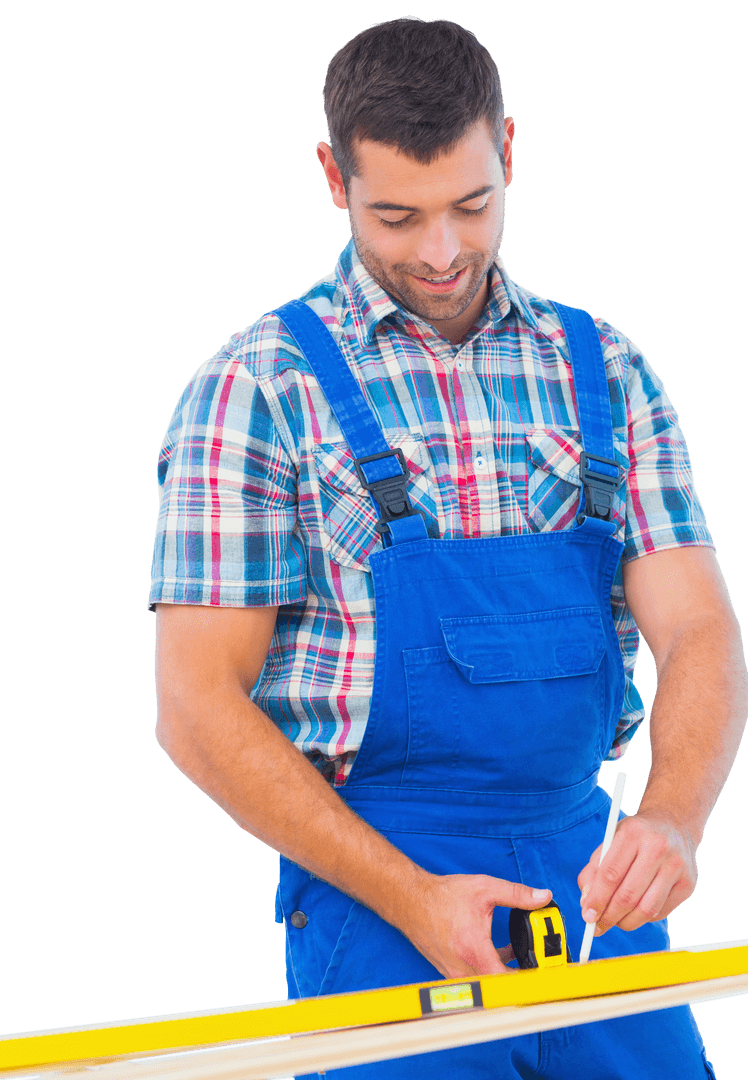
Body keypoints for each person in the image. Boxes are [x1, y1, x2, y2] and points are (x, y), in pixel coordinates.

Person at [149, 17, 746, 1080]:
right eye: (397, 215)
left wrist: (671, 821)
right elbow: (194, 707)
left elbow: (698, 624)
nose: (440, 251)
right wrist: (411, 897)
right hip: (378, 882)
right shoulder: (256, 390)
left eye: (471, 205)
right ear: (335, 177)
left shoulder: (604, 368)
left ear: (507, 153)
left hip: (589, 880)